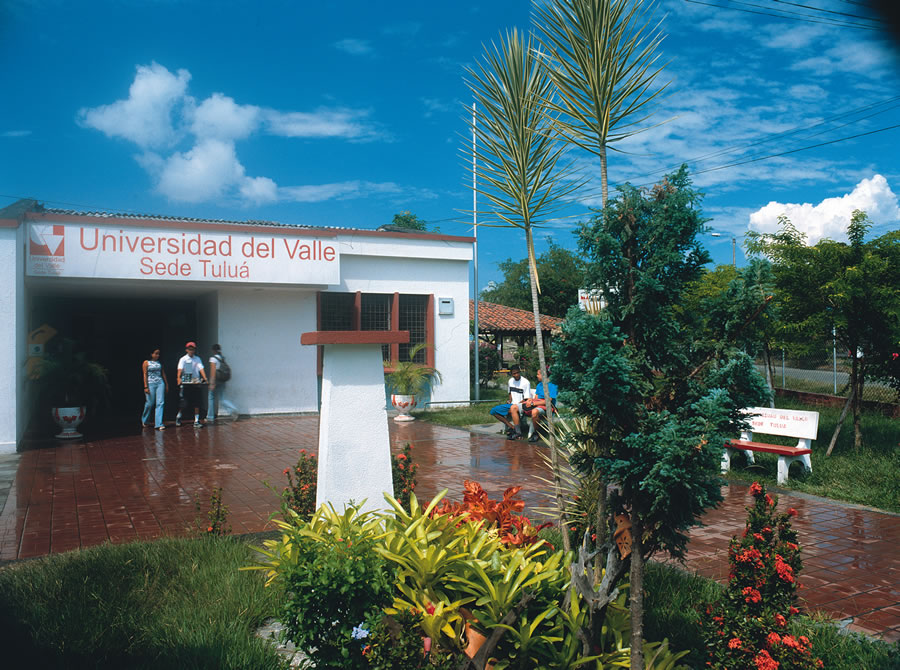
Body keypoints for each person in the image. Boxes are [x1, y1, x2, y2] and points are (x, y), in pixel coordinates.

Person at [489, 364, 532, 440]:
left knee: (513, 408)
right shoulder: (510, 381)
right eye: (514, 373)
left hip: (521, 405)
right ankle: (511, 427)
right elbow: (510, 393)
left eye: (518, 373)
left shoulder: (525, 382)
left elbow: (526, 399)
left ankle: (518, 433)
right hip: (511, 404)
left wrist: (517, 404)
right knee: (494, 411)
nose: (516, 375)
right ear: (511, 374)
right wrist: (510, 400)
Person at [176, 341, 208, 427]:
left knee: (197, 402)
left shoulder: (197, 359)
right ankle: (179, 416)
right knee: (184, 402)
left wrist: (205, 378)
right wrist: (178, 378)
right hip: (186, 382)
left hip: (195, 382)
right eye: (190, 349)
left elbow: (201, 369)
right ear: (187, 350)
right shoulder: (183, 359)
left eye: (193, 349)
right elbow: (180, 370)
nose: (191, 351)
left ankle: (196, 421)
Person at [523, 368, 558, 442]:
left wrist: (533, 403)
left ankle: (536, 433)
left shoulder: (553, 385)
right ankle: (517, 432)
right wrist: (530, 400)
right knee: (516, 407)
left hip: (547, 407)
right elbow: (536, 398)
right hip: (538, 405)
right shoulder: (539, 385)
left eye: (538, 374)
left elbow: (549, 400)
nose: (537, 376)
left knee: (534, 412)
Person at [206, 344, 239, 423]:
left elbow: (213, 372)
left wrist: (212, 383)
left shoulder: (213, 359)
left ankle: (210, 417)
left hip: (216, 381)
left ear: (213, 350)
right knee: (222, 398)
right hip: (222, 381)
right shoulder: (222, 358)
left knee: (211, 398)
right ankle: (233, 410)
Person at [141, 347, 169, 431]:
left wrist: (166, 384)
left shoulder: (159, 363)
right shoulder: (146, 362)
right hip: (150, 383)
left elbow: (163, 374)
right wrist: (145, 386)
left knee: (160, 403)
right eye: (156, 353)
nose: (157, 355)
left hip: (160, 383)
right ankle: (145, 420)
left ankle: (158, 423)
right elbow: (145, 374)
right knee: (150, 403)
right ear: (151, 354)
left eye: (158, 354)